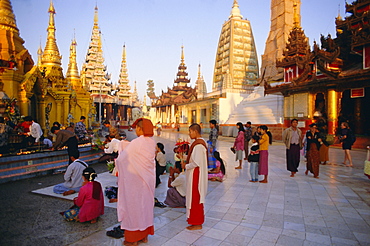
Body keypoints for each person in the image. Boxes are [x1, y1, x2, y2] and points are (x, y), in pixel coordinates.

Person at [116, 118, 156, 245]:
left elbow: (122, 159)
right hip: (148, 180)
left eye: (137, 128)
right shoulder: (151, 142)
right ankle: (144, 235)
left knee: (133, 207)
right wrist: (125, 145)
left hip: (136, 181)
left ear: (140, 129)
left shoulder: (137, 142)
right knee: (145, 207)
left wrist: (121, 148)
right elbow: (136, 153)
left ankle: (132, 239)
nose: (135, 130)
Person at [181, 123, 208, 231]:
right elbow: (194, 158)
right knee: (193, 198)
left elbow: (196, 162)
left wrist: (185, 165)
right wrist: (183, 156)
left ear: (195, 131)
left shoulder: (198, 145)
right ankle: (193, 220)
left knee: (195, 198)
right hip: (194, 174)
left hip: (196, 175)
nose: (189, 134)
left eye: (190, 131)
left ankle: (197, 222)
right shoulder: (197, 144)